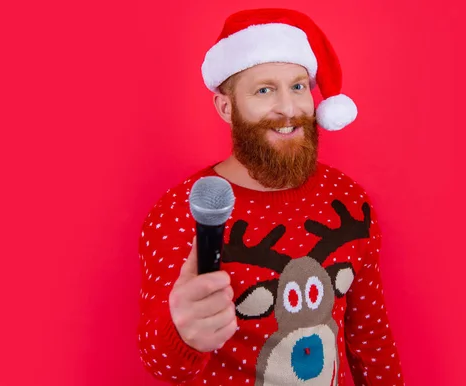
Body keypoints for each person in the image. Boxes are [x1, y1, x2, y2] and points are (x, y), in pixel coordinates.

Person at [137, 8, 405, 386]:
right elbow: (164, 365)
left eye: (298, 86)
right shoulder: (186, 211)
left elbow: (372, 340)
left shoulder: (348, 200)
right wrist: (181, 334)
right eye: (265, 90)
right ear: (226, 108)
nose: (289, 108)